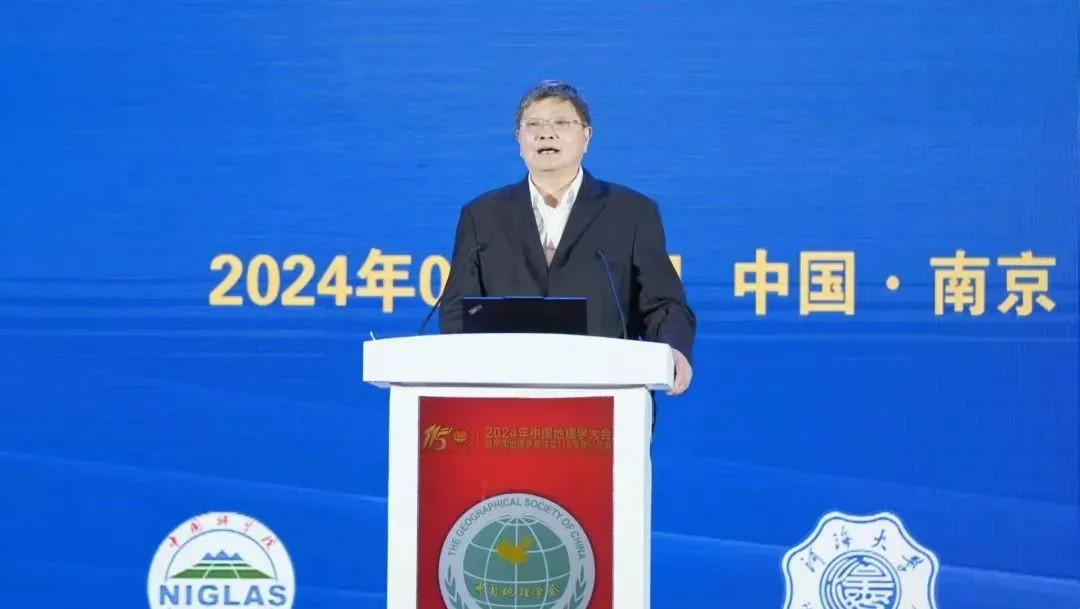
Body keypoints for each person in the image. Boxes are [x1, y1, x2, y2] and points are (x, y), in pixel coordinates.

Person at [438, 80, 695, 397]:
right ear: (519, 139)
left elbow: (662, 303)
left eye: (561, 122)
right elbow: (457, 311)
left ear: (587, 136)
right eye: (533, 124)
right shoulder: (482, 215)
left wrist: (673, 348)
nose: (546, 134)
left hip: (606, 393)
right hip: (505, 398)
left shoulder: (632, 212)